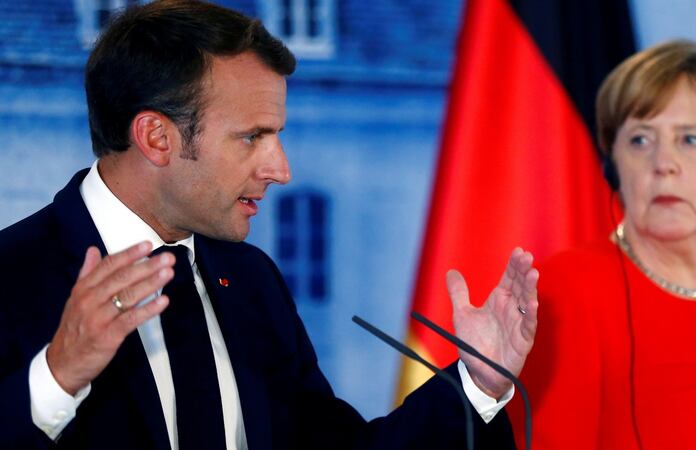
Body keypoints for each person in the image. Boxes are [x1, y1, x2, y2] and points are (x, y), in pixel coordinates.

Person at [0, 1, 540, 449]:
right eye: (251, 137)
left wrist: (476, 384)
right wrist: (56, 378)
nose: (280, 169)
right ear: (157, 138)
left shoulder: (251, 279)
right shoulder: (13, 275)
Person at [519, 40, 696, 449]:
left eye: (690, 140)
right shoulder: (568, 290)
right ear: (614, 161)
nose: (663, 163)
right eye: (640, 140)